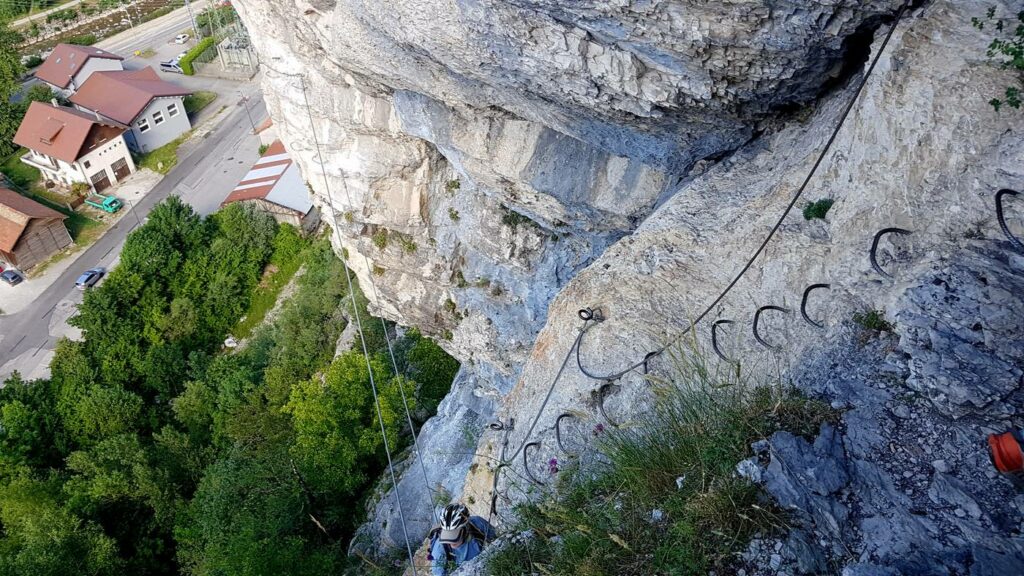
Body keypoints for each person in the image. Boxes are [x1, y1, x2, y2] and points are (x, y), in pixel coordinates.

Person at [428, 503, 496, 576]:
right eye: (448, 535)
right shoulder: (439, 550)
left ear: (466, 528)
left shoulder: (477, 524)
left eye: (454, 534)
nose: (450, 542)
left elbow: (496, 539)